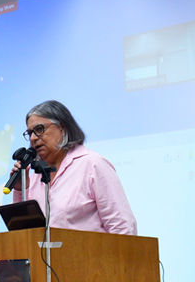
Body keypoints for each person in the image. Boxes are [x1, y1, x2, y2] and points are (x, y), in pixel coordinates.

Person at [10, 100, 137, 235]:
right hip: (46, 256)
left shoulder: (93, 164)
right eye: (30, 133)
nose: (34, 138)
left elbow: (122, 226)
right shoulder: (35, 175)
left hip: (92, 255)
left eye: (40, 129)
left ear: (62, 128)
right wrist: (20, 189)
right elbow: (23, 232)